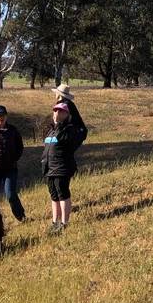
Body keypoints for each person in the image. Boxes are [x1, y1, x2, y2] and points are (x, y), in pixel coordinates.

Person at [43, 85, 88, 234]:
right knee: (54, 194)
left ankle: (63, 222)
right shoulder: (53, 126)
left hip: (62, 164)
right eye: (55, 111)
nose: (56, 112)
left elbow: (80, 131)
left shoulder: (68, 108)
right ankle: (55, 221)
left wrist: (68, 149)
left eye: (59, 111)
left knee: (62, 192)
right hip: (50, 165)